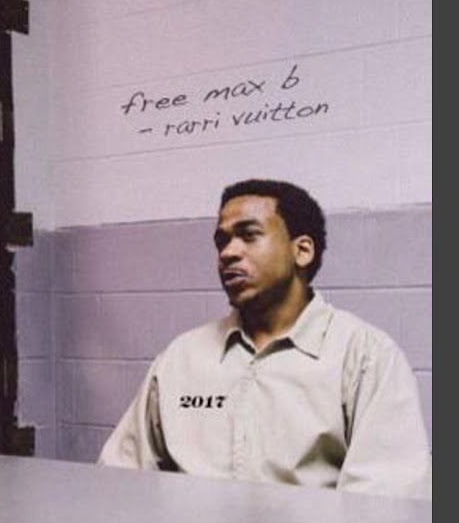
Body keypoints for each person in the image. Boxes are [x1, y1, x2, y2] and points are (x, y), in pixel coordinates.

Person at [98, 179, 431, 499]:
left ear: (302, 251)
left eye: (249, 235)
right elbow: (119, 478)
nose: (228, 252)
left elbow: (384, 502)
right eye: (222, 241)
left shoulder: (365, 357)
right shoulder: (181, 357)